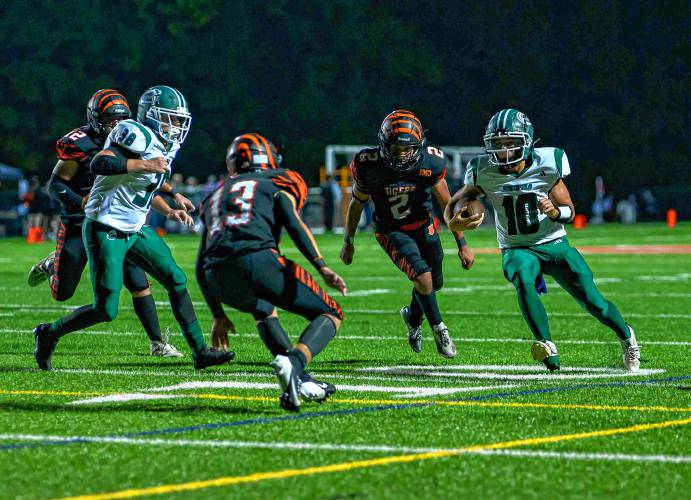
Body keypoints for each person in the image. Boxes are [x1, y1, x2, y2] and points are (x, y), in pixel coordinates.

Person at [32, 85, 233, 371]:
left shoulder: (166, 143)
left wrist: (171, 201)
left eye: (179, 119)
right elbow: (102, 162)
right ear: (152, 115)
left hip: (135, 228)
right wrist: (143, 164)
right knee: (106, 310)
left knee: (176, 279)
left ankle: (200, 351)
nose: (176, 125)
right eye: (171, 118)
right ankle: (48, 333)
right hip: (106, 228)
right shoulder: (133, 132)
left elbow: (146, 185)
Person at [446, 108, 640, 372]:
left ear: (526, 141)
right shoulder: (483, 170)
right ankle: (546, 344)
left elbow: (571, 210)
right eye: (498, 144)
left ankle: (626, 336)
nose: (503, 151)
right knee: (521, 277)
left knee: (596, 303)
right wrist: (456, 222)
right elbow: (454, 205)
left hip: (554, 242)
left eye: (510, 143)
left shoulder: (547, 162)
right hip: (517, 247)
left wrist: (555, 211)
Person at [196, 133, 347, 412]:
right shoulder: (274, 182)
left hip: (216, 275)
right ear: (267, 159)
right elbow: (294, 224)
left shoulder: (215, 194)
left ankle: (297, 382)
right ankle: (296, 363)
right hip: (257, 260)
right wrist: (321, 265)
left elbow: (200, 261)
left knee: (263, 308)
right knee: (331, 312)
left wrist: (218, 314)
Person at [27, 89, 183, 357]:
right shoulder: (81, 144)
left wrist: (170, 200)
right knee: (63, 293)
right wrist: (79, 201)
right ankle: (54, 263)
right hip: (80, 222)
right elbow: (55, 185)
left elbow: (147, 179)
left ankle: (157, 342)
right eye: (110, 119)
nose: (116, 124)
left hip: (118, 221)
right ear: (95, 118)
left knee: (138, 281)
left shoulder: (132, 137)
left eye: (121, 118)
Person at [340, 110, 475, 358]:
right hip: (391, 230)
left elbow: (447, 203)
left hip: (424, 225)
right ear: (383, 143)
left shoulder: (430, 162)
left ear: (419, 145)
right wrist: (349, 241)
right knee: (423, 278)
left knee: (435, 282)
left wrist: (462, 243)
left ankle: (413, 317)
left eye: (407, 149)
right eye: (394, 148)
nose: (401, 154)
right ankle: (439, 329)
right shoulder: (368, 164)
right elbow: (356, 203)